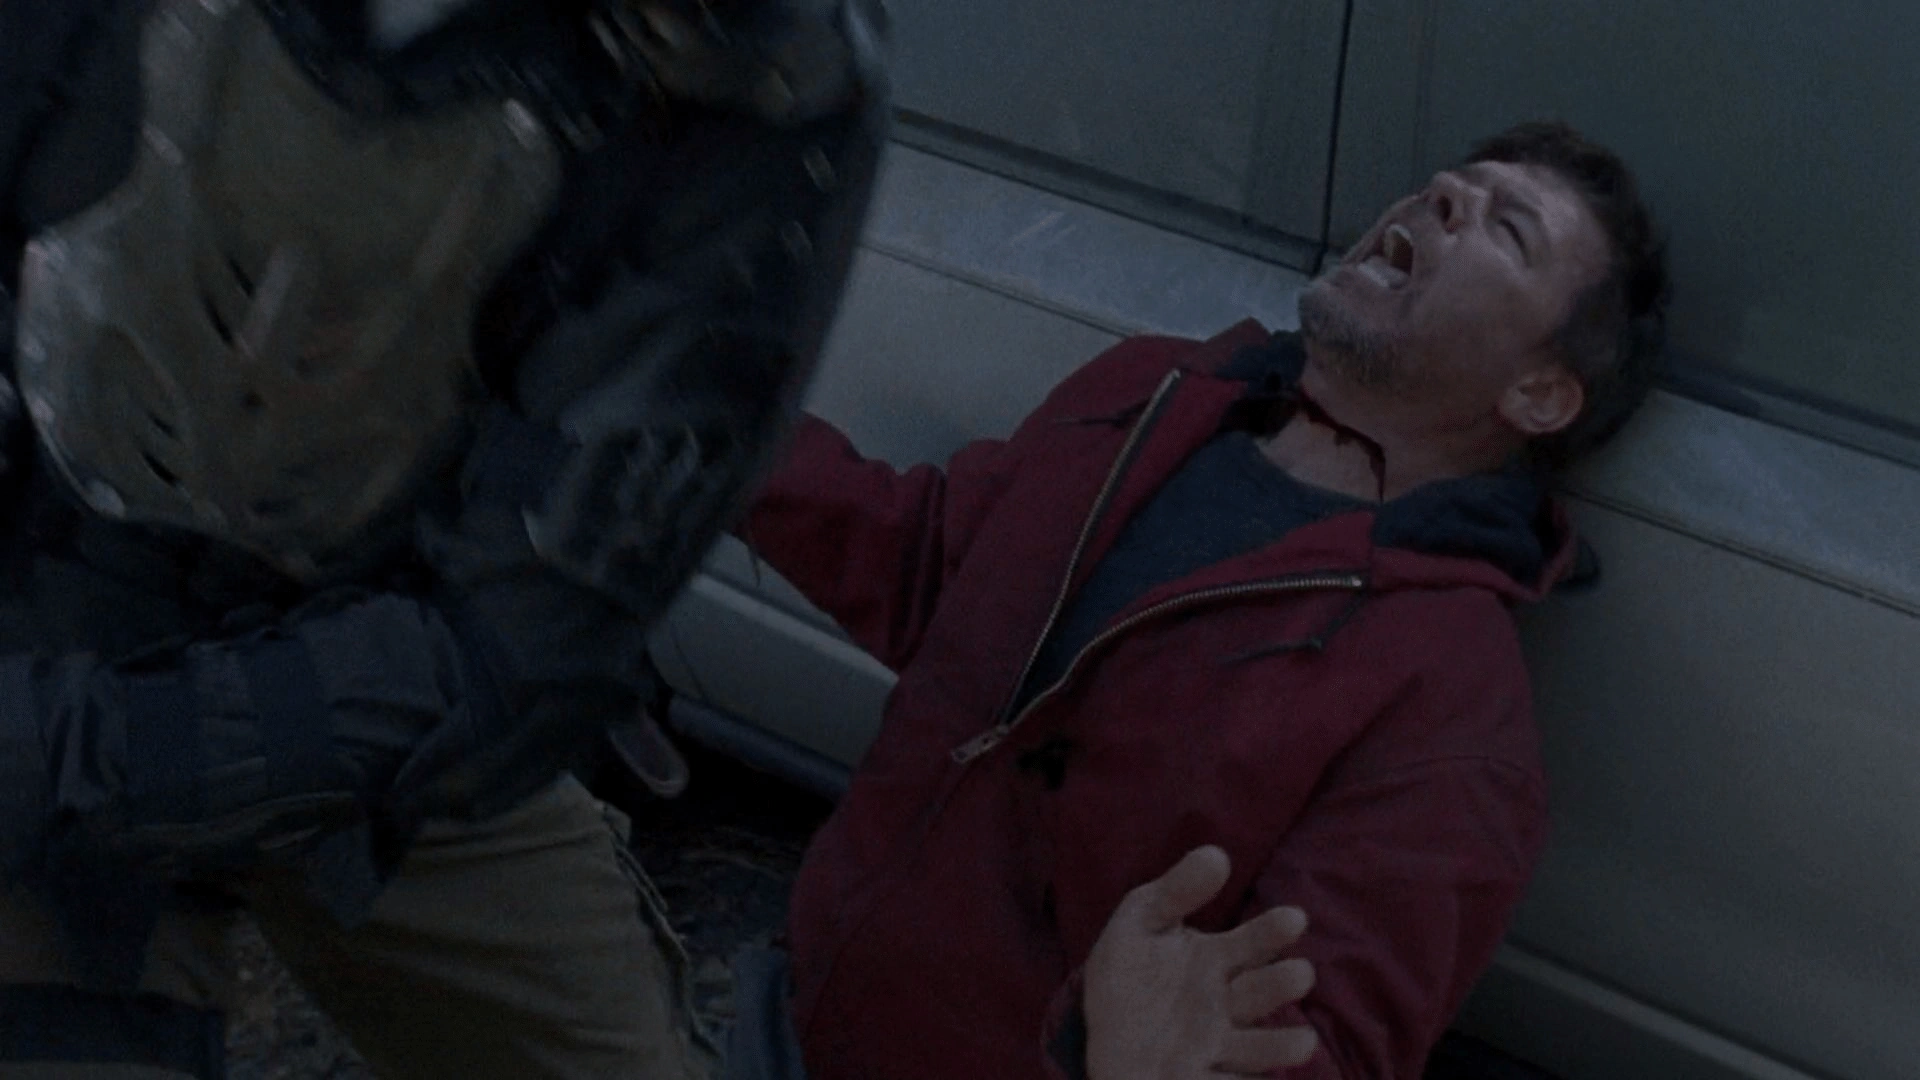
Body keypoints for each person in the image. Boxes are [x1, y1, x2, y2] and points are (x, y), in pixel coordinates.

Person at [0, 1, 886, 1077]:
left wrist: (73, 749)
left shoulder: (749, 72)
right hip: (43, 599)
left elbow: (514, 653)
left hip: (372, 699)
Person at [732, 120, 1670, 1079]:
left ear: (1540, 395)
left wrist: (1134, 1059)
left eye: (1509, 229)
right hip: (793, 1016)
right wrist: (722, 442)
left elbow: (1325, 1043)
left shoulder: (1452, 704)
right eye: (1455, 182)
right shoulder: (1157, 391)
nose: (1444, 193)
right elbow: (933, 573)